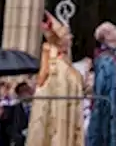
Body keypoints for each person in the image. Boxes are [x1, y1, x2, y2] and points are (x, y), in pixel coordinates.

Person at [26, 10, 85, 146]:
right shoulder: (55, 62)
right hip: (56, 112)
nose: (71, 37)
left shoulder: (65, 61)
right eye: (68, 35)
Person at [86, 22, 116, 146]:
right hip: (109, 106)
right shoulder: (105, 59)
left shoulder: (115, 56)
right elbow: (102, 87)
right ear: (107, 36)